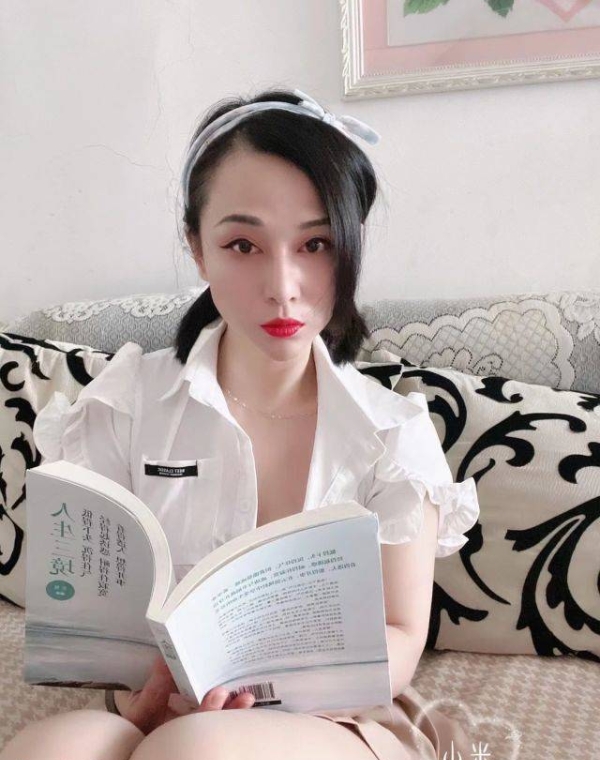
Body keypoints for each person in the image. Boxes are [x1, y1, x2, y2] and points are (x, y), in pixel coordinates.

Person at [2, 87, 480, 760]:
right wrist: (141, 698)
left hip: (334, 720)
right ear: (197, 249)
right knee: (55, 747)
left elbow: (401, 633)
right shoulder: (126, 404)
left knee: (201, 749)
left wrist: (270, 693)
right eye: (243, 244)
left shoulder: (391, 434)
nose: (282, 285)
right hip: (154, 705)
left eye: (315, 243)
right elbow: (90, 612)